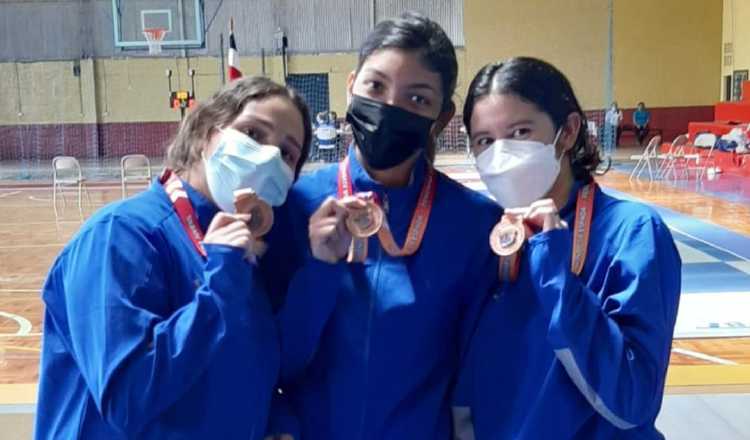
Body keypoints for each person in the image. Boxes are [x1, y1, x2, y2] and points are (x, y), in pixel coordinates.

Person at [262, 12, 500, 439]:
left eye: (417, 99)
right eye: (375, 86)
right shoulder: (294, 206)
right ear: (351, 84)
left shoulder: (474, 223)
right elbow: (274, 360)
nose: (390, 107)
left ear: (441, 118)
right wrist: (318, 271)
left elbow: (476, 372)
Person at [35, 76, 312, 439]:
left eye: (287, 154)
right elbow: (128, 397)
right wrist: (221, 284)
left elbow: (242, 374)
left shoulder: (243, 254)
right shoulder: (120, 236)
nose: (268, 157)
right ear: (204, 134)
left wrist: (276, 422)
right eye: (253, 133)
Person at [453, 57, 681, 439]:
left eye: (521, 131)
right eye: (485, 141)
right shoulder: (488, 238)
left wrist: (553, 267)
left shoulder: (633, 233)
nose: (501, 154)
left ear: (569, 131)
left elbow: (631, 399)